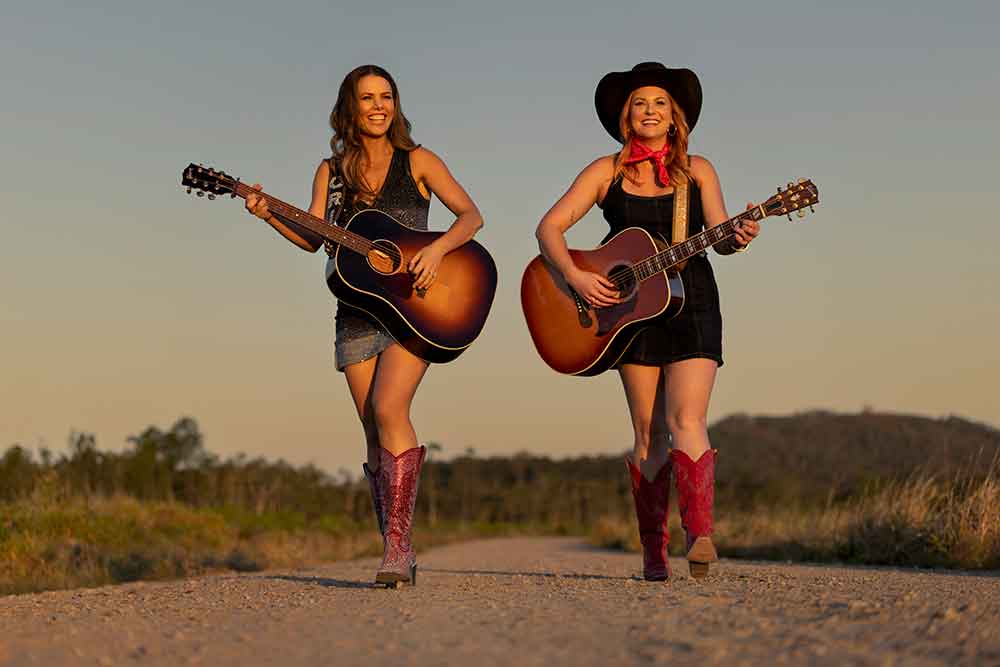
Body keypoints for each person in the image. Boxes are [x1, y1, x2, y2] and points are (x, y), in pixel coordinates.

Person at [245, 65, 484, 587]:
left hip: (414, 306)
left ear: (395, 104)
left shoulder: (419, 161)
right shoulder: (331, 172)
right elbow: (314, 239)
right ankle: (397, 547)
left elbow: (470, 217)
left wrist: (439, 250)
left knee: (388, 407)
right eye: (367, 98)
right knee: (372, 431)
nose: (378, 106)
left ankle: (397, 548)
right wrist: (268, 215)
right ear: (349, 108)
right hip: (356, 311)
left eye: (386, 96)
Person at [534, 62, 759, 581]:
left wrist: (737, 235)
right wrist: (574, 276)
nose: (650, 112)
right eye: (640, 104)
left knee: (688, 420)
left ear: (675, 117)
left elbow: (720, 237)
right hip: (630, 311)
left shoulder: (697, 170)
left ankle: (699, 534)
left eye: (660, 104)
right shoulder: (605, 171)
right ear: (625, 117)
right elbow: (548, 228)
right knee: (648, 432)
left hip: (693, 299)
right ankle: (653, 552)